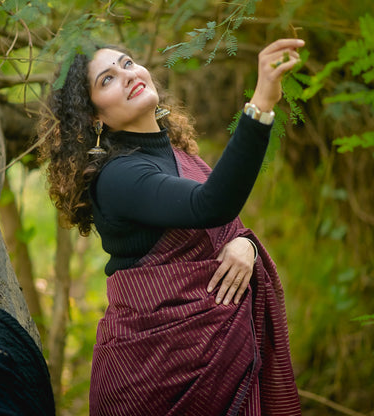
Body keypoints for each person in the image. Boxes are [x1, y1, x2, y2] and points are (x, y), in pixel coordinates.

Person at [39, 38, 305, 415]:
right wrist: (260, 105)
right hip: (151, 378)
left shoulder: (180, 155)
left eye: (128, 62)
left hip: (220, 352)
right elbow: (210, 205)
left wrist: (247, 244)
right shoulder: (117, 177)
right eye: (107, 79)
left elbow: (222, 225)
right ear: (94, 118)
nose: (128, 75)